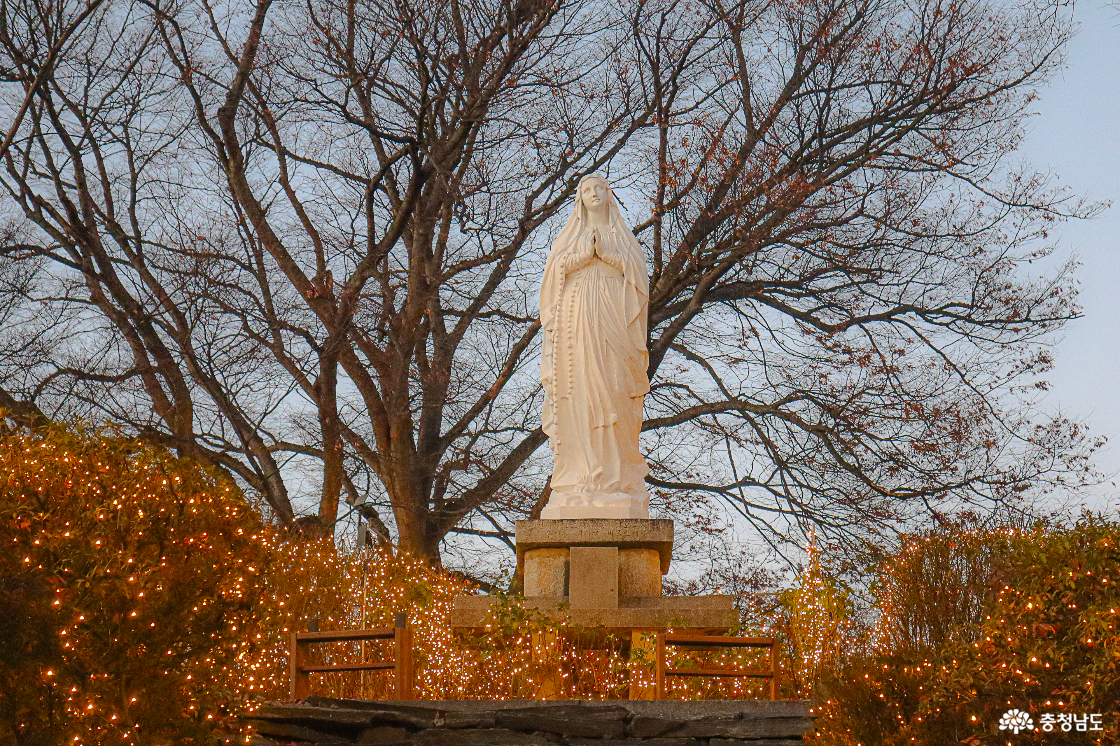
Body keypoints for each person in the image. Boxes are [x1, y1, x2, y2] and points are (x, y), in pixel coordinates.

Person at [539, 174, 651, 519]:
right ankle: (580, 477)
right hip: (576, 320)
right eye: (587, 190)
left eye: (600, 187)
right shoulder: (569, 236)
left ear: (609, 193)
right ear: (580, 199)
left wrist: (612, 257)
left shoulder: (623, 237)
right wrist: (581, 258)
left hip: (612, 315)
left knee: (615, 387)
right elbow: (552, 276)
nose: (595, 193)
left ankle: (615, 480)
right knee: (580, 391)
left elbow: (640, 278)